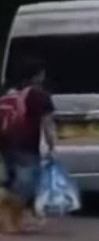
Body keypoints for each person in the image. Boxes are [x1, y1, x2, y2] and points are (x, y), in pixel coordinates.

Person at [1, 58, 56, 220]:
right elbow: (48, 124)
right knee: (26, 185)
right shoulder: (41, 96)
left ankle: (13, 218)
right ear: (39, 76)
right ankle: (7, 210)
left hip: (5, 144)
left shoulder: (8, 93)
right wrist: (51, 144)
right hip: (27, 145)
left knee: (12, 181)